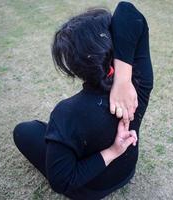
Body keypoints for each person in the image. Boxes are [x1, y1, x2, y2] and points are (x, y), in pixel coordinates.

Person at [13, 1, 153, 200]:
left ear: (75, 67)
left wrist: (111, 152)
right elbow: (128, 12)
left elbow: (61, 181)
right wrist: (123, 80)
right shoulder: (139, 82)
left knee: (24, 130)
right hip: (126, 171)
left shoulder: (67, 113)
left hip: (91, 190)